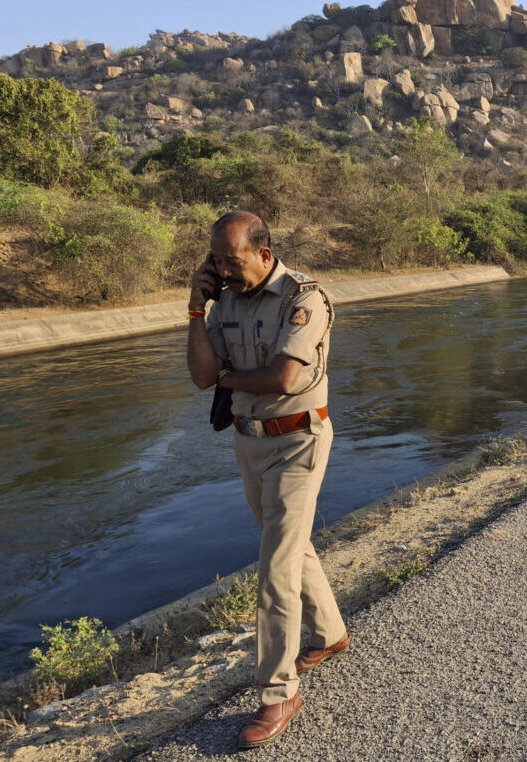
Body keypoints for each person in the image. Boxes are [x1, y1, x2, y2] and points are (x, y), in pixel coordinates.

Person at [186, 211, 348, 750]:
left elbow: (283, 378)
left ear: (263, 251)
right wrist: (194, 308)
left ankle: (278, 692)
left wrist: (224, 378)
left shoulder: (305, 299)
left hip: (298, 439)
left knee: (274, 566)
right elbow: (198, 373)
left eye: (231, 260)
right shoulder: (224, 301)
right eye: (216, 261)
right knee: (289, 545)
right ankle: (330, 634)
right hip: (249, 440)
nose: (223, 270)